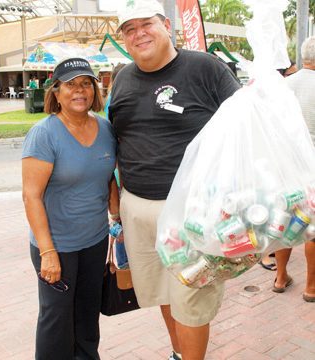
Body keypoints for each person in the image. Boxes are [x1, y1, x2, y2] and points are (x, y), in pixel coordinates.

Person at [109, 1, 241, 359]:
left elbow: (244, 126)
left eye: (145, 24)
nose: (138, 34)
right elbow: (117, 139)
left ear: (166, 25)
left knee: (192, 297)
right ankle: (179, 354)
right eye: (129, 29)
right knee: (163, 293)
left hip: (191, 209)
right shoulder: (121, 78)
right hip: (137, 208)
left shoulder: (205, 68)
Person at [22, 57, 118, 359]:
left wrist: (118, 217)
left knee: (87, 315)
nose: (80, 90)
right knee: (56, 319)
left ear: (95, 90)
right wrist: (48, 252)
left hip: (94, 240)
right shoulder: (45, 133)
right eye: (71, 84)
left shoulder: (105, 129)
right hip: (57, 245)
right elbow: (31, 196)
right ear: (56, 92)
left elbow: (108, 179)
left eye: (86, 83)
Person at [272, 36, 315, 302]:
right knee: (314, 227)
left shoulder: (284, 85)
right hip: (312, 165)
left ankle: (280, 277)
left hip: (285, 165)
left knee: (285, 221)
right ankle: (311, 287)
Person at [260, 61, 299, 272]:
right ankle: (265, 253)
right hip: (279, 160)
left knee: (278, 209)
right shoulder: (272, 92)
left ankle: (275, 261)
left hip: (279, 159)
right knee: (274, 210)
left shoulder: (283, 91)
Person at [104, 63, 129, 269]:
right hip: (121, 174)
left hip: (119, 173)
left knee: (120, 221)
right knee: (121, 221)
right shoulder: (117, 103)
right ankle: (123, 264)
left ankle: (123, 263)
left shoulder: (112, 100)